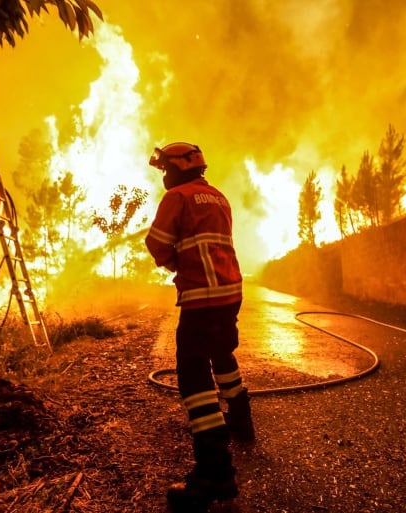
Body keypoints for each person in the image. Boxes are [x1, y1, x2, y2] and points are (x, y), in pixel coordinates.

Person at [145, 142, 255, 512]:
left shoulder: (178, 197)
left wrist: (176, 262)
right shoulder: (218, 197)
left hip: (202, 296)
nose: (164, 177)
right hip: (230, 292)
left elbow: (157, 243)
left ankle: (214, 473)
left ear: (177, 169)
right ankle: (241, 417)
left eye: (165, 170)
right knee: (221, 352)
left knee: (194, 380)